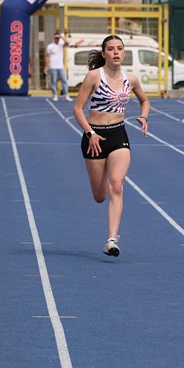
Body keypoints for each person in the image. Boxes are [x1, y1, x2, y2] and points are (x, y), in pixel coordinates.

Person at [72, 35, 150, 258]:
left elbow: (145, 100)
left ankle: (112, 240)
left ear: (124, 53)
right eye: (111, 49)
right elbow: (77, 109)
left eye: (119, 48)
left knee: (117, 185)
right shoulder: (94, 76)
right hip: (94, 137)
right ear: (104, 53)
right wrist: (90, 133)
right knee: (99, 196)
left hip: (118, 135)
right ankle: (103, 170)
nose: (116, 52)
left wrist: (144, 116)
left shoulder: (131, 79)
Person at [45, 31, 74, 101]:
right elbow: (48, 57)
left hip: (60, 66)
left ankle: (66, 95)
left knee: (64, 81)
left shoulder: (61, 44)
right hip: (53, 66)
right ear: (54, 38)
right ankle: (55, 95)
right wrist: (46, 67)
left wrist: (62, 37)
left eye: (58, 38)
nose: (57, 39)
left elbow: (67, 43)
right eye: (56, 38)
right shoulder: (50, 46)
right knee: (53, 81)